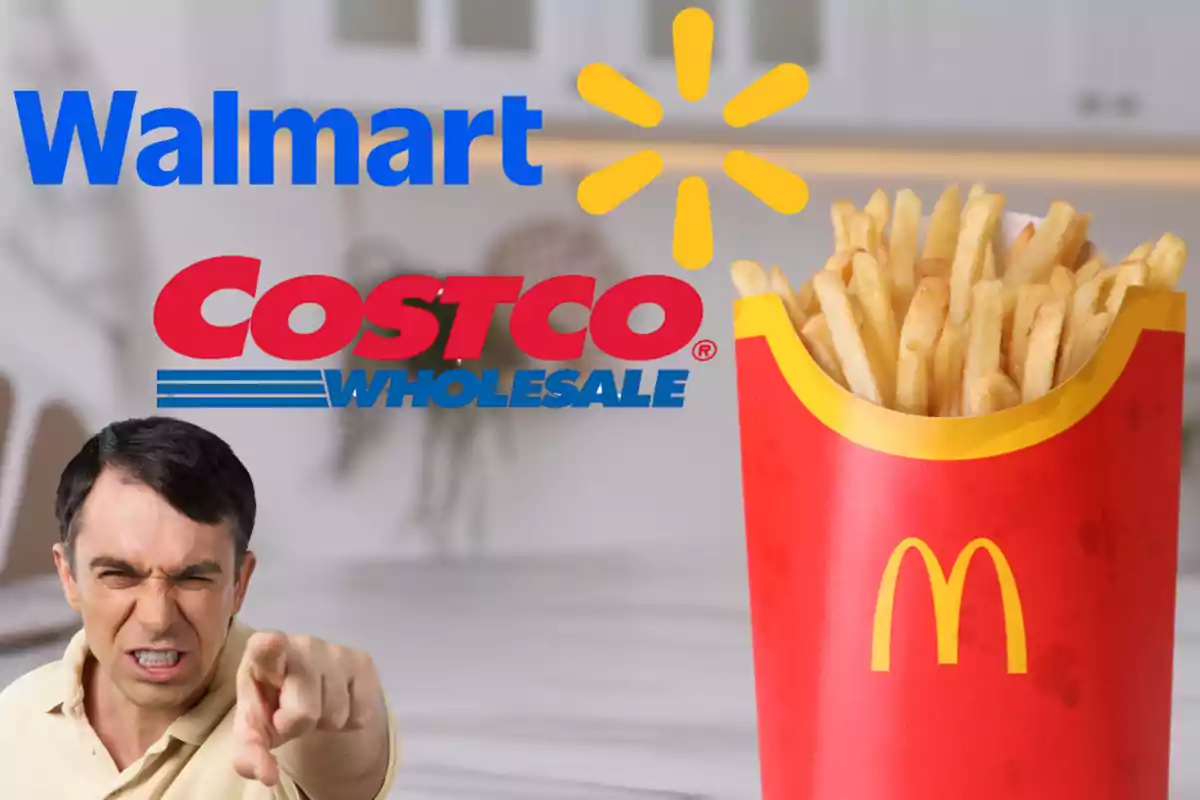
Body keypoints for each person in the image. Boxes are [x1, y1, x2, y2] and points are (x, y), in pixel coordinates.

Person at [0, 416, 398, 799]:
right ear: (69, 576)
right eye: (120, 576)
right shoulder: (14, 718)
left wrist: (339, 723)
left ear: (239, 582)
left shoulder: (286, 712)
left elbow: (345, 776)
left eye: (193, 579)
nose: (158, 619)